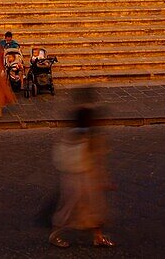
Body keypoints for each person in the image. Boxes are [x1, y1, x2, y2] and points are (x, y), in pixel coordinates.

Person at [49, 99, 114, 248]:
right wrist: (104, 180)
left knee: (89, 208)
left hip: (74, 176)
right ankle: (55, 234)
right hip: (82, 177)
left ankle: (98, 236)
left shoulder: (70, 134)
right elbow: (98, 160)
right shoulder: (91, 135)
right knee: (78, 208)